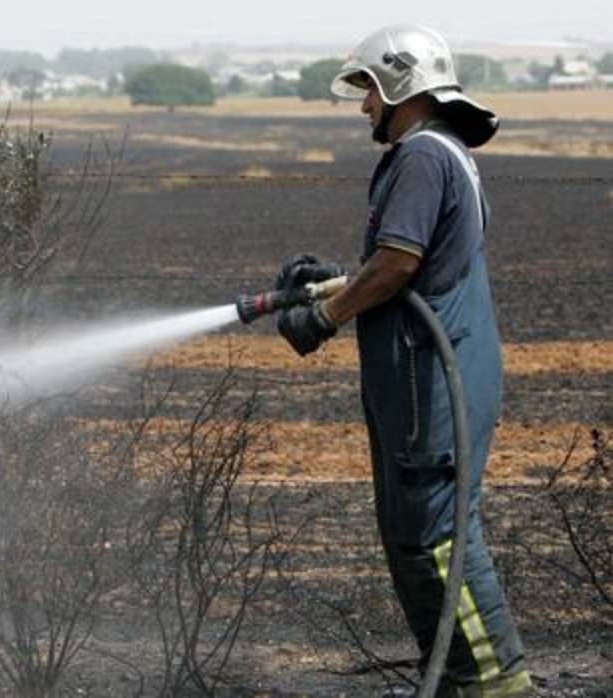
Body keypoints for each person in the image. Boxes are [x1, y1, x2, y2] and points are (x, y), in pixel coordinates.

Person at [274, 24, 533, 697]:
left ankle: (497, 682)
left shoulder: (422, 156)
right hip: (426, 376)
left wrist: (325, 317)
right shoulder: (438, 153)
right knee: (415, 533)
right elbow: (399, 264)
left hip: (431, 382)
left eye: (368, 91)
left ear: (399, 87)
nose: (363, 106)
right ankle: (455, 673)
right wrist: (328, 280)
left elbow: (397, 265)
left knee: (437, 536)